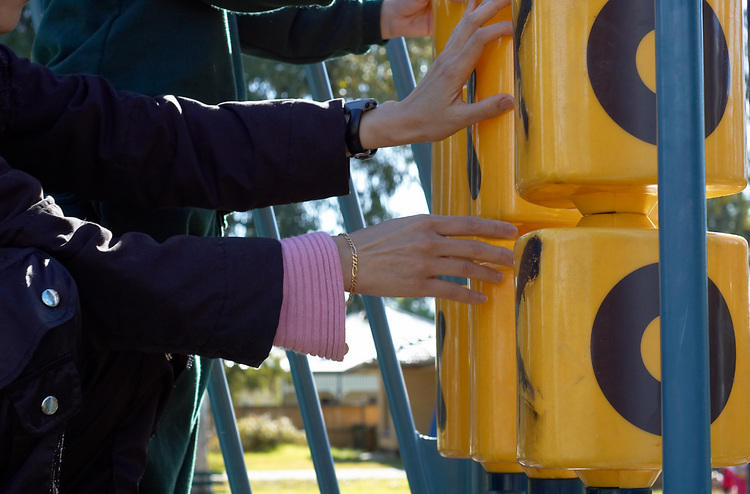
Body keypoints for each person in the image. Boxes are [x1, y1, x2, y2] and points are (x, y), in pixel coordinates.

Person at [0, 0, 516, 491]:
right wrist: (333, 264)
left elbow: (145, 133)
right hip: (123, 233)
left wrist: (374, 123)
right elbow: (82, 266)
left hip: (163, 218)